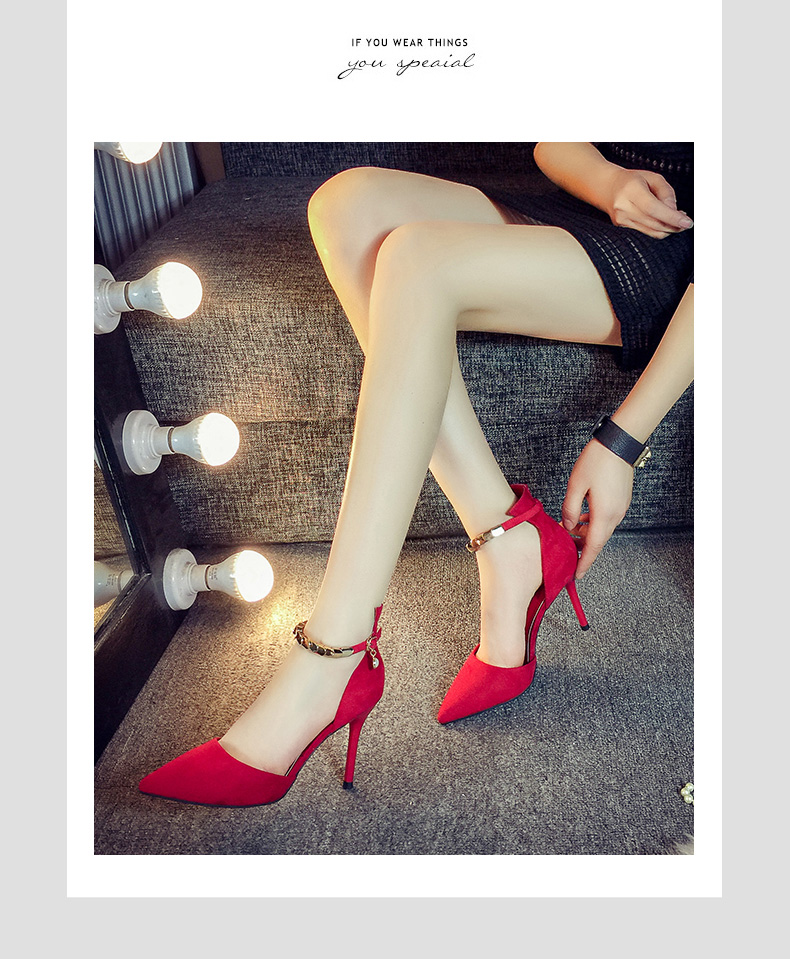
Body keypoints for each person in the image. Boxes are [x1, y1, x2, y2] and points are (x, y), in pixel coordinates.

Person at [139, 142, 694, 806]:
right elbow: (555, 140)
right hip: (601, 209)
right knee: (346, 205)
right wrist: (607, 181)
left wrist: (624, 439)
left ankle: (334, 652)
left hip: (696, 254)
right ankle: (506, 534)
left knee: (416, 258)